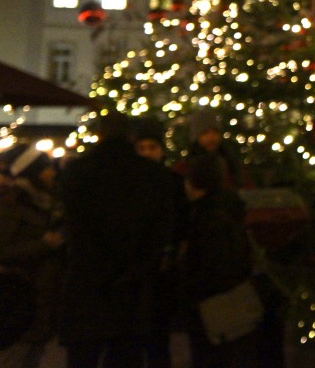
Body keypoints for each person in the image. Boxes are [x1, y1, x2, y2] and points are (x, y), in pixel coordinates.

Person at [58, 112, 178, 368]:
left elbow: (72, 226)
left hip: (87, 282)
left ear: (99, 134)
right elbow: (159, 232)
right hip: (131, 287)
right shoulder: (153, 175)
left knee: (83, 357)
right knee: (126, 356)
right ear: (130, 136)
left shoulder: (77, 172)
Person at [181, 154, 259, 368]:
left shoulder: (205, 217)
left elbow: (208, 267)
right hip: (237, 305)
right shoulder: (229, 206)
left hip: (212, 312)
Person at [0, 144, 63, 368]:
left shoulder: (47, 201)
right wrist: (43, 244)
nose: (52, 172)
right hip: (15, 302)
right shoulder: (10, 203)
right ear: (32, 172)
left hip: (41, 300)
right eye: (45, 168)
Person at [133, 118, 190, 368]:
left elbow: (180, 221)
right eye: (142, 148)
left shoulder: (173, 182)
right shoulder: (128, 183)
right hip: (135, 269)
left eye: (151, 148)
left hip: (163, 269)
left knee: (158, 336)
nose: (147, 153)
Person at [174, 110, 251, 190]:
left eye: (215, 132)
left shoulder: (233, 167)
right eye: (205, 133)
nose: (211, 138)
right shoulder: (183, 169)